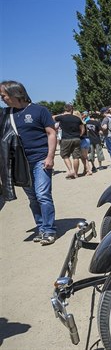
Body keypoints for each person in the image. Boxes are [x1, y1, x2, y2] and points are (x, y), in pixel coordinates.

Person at [0, 80, 58, 245]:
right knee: (33, 198)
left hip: (40, 159)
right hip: (21, 164)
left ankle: (49, 230)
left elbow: (51, 133)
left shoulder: (39, 110)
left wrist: (50, 157)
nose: (2, 98)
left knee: (42, 195)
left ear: (15, 93)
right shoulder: (5, 115)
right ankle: (41, 228)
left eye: (4, 95)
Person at [54, 103, 84, 179]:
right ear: (72, 109)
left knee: (65, 155)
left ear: (65, 109)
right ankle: (76, 173)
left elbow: (52, 117)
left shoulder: (61, 117)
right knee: (76, 157)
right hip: (76, 138)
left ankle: (71, 170)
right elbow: (82, 129)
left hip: (66, 139)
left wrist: (62, 114)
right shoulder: (77, 118)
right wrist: (79, 135)